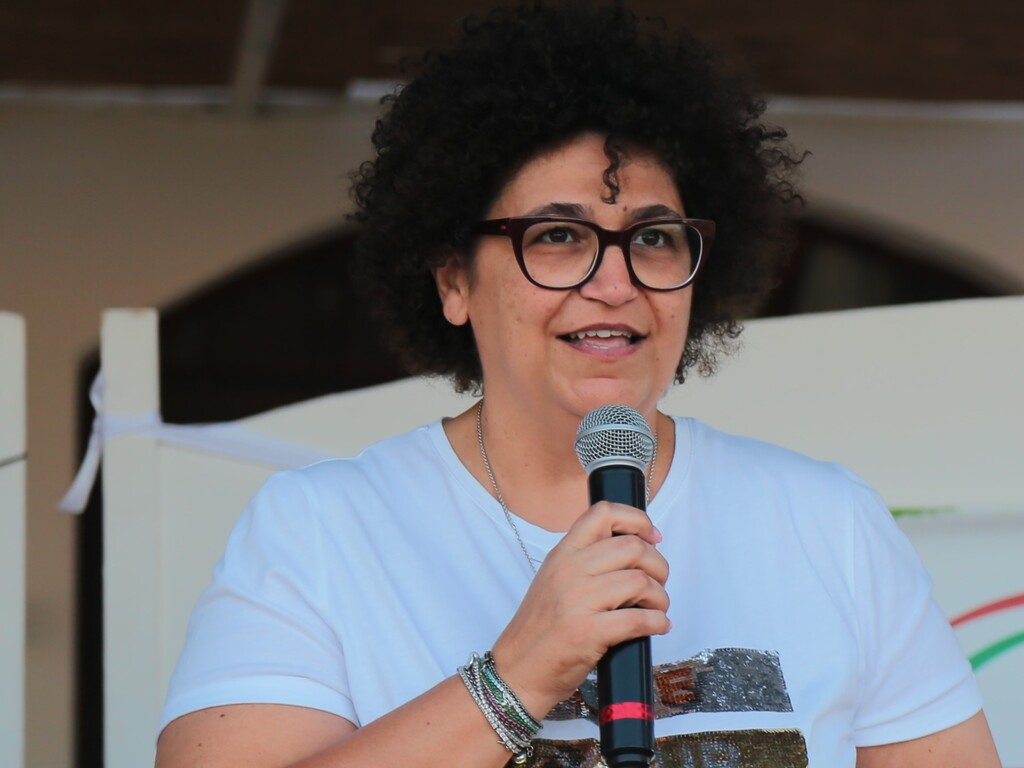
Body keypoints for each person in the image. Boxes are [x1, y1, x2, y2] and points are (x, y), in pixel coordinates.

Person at [155, 2, 1001, 766]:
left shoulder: (829, 525)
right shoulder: (319, 531)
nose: (616, 282)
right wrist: (516, 676)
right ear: (453, 281)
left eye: (654, 238)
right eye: (558, 236)